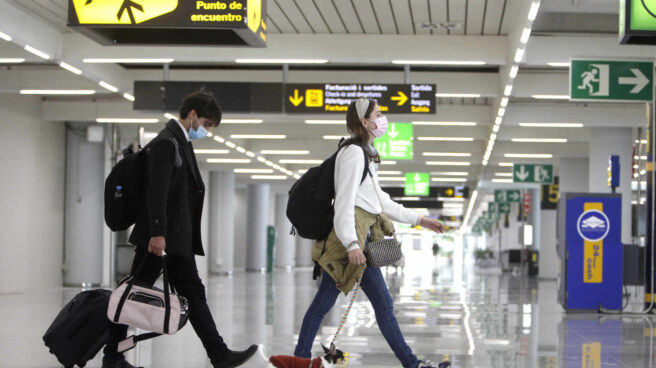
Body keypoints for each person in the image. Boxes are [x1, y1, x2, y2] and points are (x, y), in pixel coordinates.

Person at [103, 91, 258, 368]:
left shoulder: (179, 142)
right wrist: (158, 232)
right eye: (207, 124)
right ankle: (112, 356)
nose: (207, 130)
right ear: (193, 115)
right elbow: (157, 191)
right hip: (162, 239)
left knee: (190, 294)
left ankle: (218, 354)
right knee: (132, 296)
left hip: (175, 240)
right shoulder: (166, 143)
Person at [293, 98, 451, 368]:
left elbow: (379, 201)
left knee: (375, 304)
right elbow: (345, 201)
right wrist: (352, 244)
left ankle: (411, 363)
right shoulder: (354, 153)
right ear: (364, 122)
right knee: (331, 303)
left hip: (360, 239)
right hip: (350, 242)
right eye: (378, 114)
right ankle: (299, 360)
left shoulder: (366, 152)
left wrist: (420, 219)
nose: (383, 118)